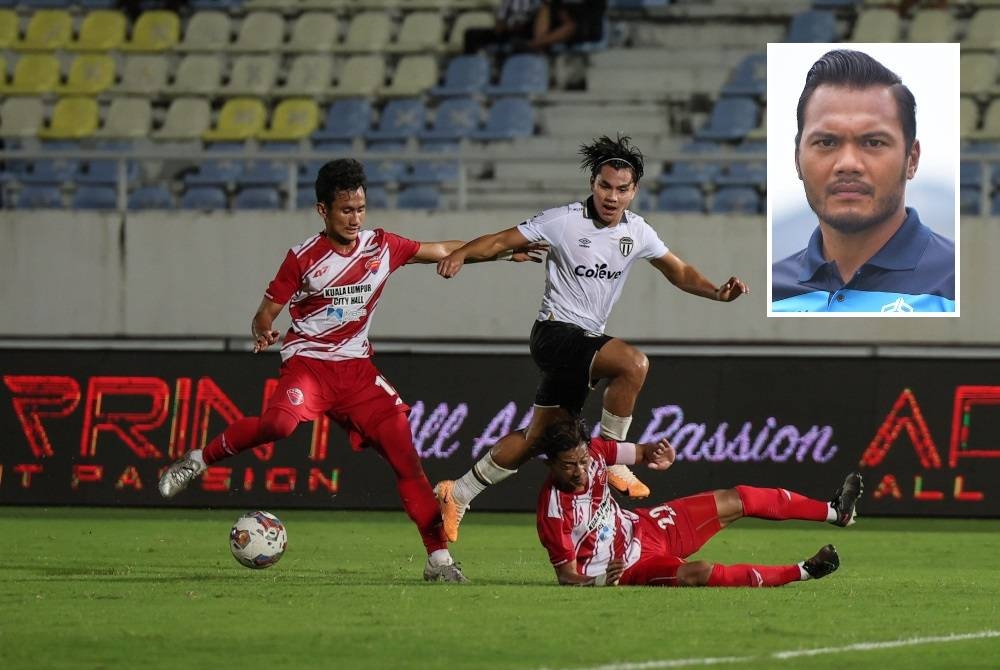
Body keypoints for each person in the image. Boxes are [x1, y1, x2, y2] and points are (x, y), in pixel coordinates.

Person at [157, 158, 543, 583]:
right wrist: (265, 331)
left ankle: (439, 561)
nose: (355, 218)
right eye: (346, 210)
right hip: (309, 365)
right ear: (323, 210)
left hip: (358, 372)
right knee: (279, 427)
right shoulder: (302, 258)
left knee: (406, 460)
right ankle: (197, 460)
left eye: (360, 209)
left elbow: (440, 249)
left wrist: (503, 253)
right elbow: (265, 314)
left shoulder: (382, 246)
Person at [434, 134, 748, 542]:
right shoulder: (563, 221)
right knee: (633, 363)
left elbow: (679, 270)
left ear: (634, 191)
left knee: (539, 439)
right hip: (555, 334)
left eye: (621, 189)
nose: (612, 196)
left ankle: (457, 492)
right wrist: (461, 255)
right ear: (592, 184)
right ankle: (615, 454)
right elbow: (499, 241)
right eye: (605, 186)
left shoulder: (637, 232)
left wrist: (717, 293)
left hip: (582, 342)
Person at [535, 418, 863, 587]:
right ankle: (804, 571)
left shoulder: (593, 452)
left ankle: (837, 511)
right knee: (700, 572)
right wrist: (598, 580)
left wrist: (661, 455)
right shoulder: (552, 510)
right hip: (628, 568)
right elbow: (566, 577)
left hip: (645, 527)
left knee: (739, 498)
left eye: (582, 461)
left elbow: (644, 451)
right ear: (549, 463)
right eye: (568, 465)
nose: (580, 470)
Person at [772, 49, 955, 313]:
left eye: (873, 142)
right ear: (797, 159)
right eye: (826, 142)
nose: (848, 164)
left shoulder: (962, 282)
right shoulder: (769, 291)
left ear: (911, 160)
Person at [463, 0, 541, 54]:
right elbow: (501, 17)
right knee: (471, 35)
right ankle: (471, 68)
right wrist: (501, 26)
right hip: (508, 29)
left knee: (518, 39)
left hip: (528, 30)